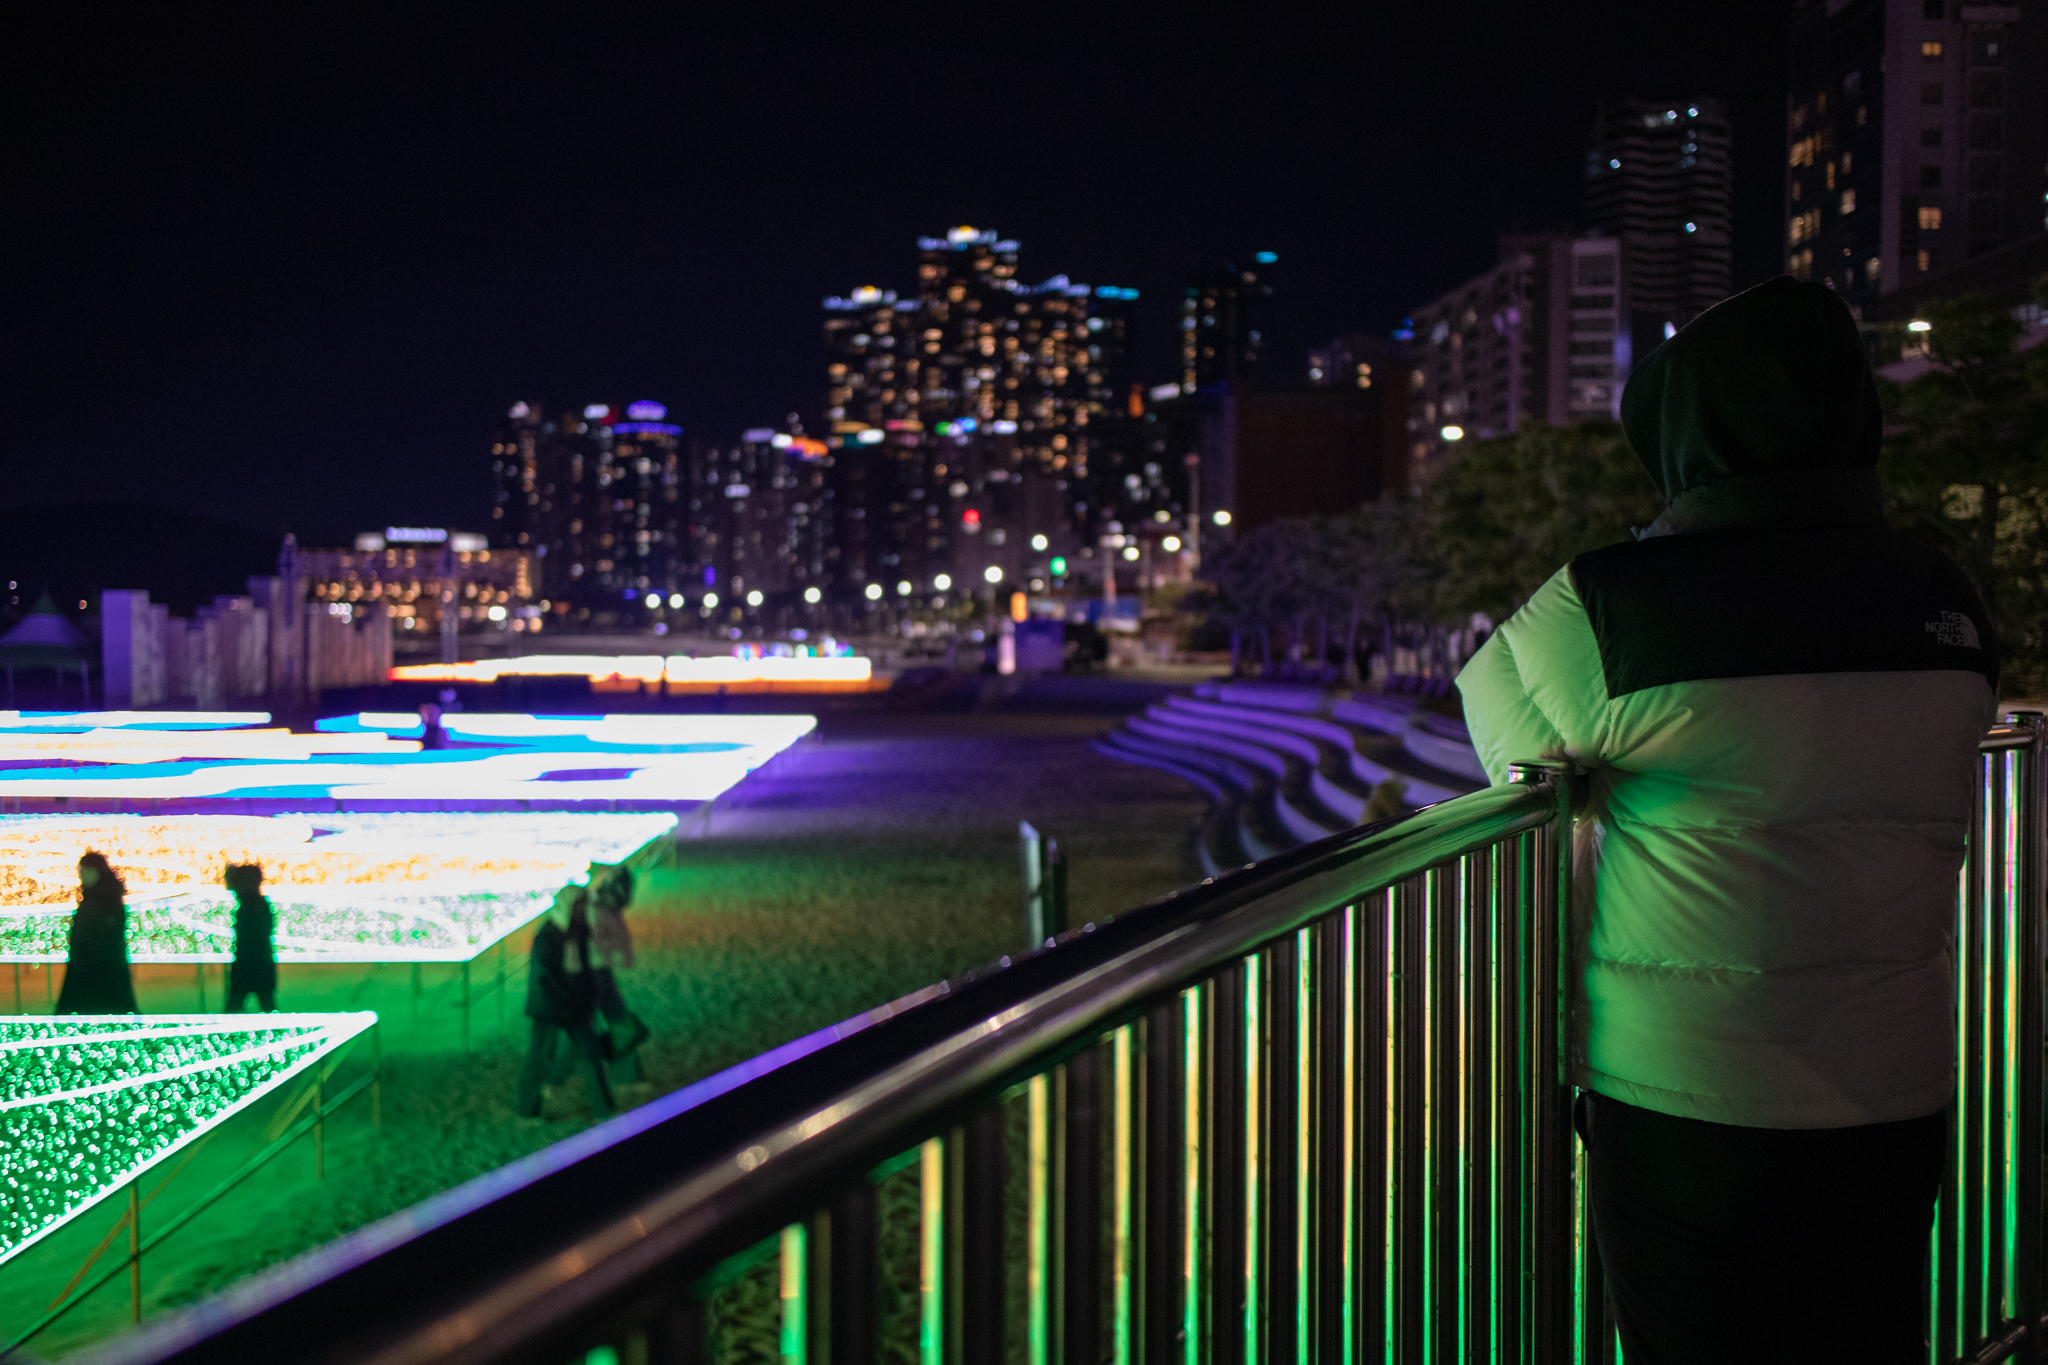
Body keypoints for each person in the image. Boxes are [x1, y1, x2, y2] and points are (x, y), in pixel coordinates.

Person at [1455, 276, 1997, 1362]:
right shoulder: (1941, 594)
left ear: (1674, 429)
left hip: (1690, 1098)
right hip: (1894, 1089)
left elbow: (1493, 716)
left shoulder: (1617, 601)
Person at [516, 884, 614, 1120]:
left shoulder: (578, 931)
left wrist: (591, 997)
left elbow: (584, 968)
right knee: (539, 1059)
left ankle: (603, 1109)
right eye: (579, 906)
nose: (583, 910)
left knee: (590, 1056)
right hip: (549, 1009)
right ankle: (527, 1111)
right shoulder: (547, 937)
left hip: (575, 1007)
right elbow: (544, 979)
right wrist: (575, 998)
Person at [55, 851, 139, 1014]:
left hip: (96, 972)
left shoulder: (102, 899)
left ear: (96, 872)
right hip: (100, 971)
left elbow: (102, 935)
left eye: (85, 871)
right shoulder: (99, 896)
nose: (81, 875)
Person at [223, 863, 277, 1011]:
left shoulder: (249, 908)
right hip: (260, 964)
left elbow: (250, 939)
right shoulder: (260, 906)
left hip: (248, 965)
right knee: (268, 1006)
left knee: (235, 1007)